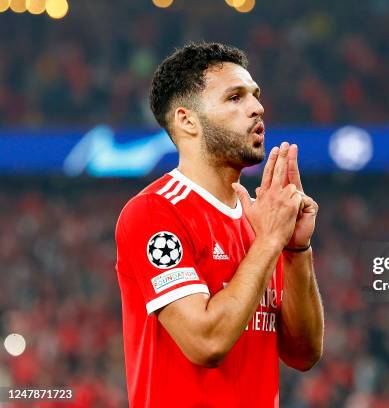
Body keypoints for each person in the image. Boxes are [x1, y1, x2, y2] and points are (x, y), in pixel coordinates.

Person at [115, 42, 324, 407]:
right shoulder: (154, 211)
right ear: (187, 120)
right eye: (234, 97)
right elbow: (205, 342)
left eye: (255, 96)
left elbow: (303, 354)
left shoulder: (259, 220)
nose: (257, 108)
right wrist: (270, 241)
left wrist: (294, 248)